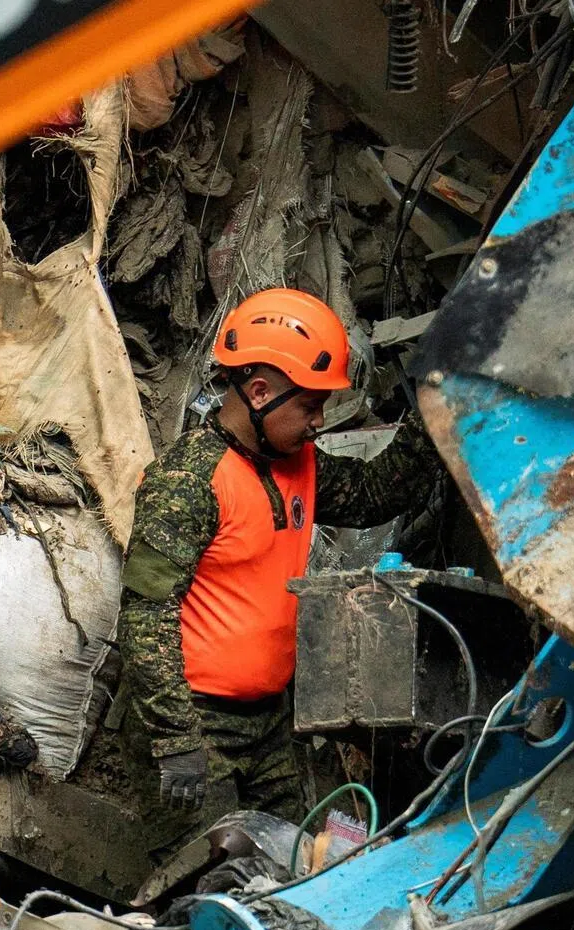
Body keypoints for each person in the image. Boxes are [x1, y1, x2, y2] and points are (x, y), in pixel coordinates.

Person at [118, 288, 437, 830]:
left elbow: (374, 494)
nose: (318, 422)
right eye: (309, 406)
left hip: (266, 722)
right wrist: (175, 740)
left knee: (287, 860)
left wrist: (436, 409)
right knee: (210, 870)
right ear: (260, 392)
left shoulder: (298, 461)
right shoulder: (189, 478)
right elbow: (145, 615)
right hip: (195, 721)